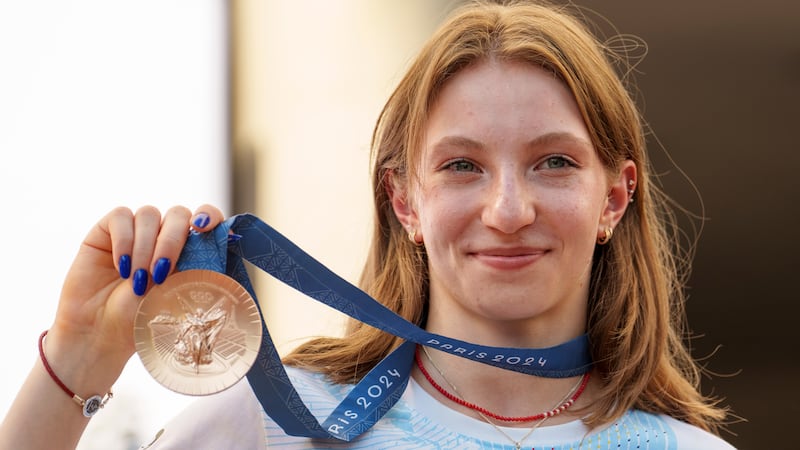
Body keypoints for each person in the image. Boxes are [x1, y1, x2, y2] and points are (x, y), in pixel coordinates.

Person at [0, 1, 735, 448]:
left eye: (552, 163)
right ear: (404, 201)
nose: (509, 211)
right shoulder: (272, 428)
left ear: (614, 198)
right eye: (461, 166)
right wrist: (78, 360)